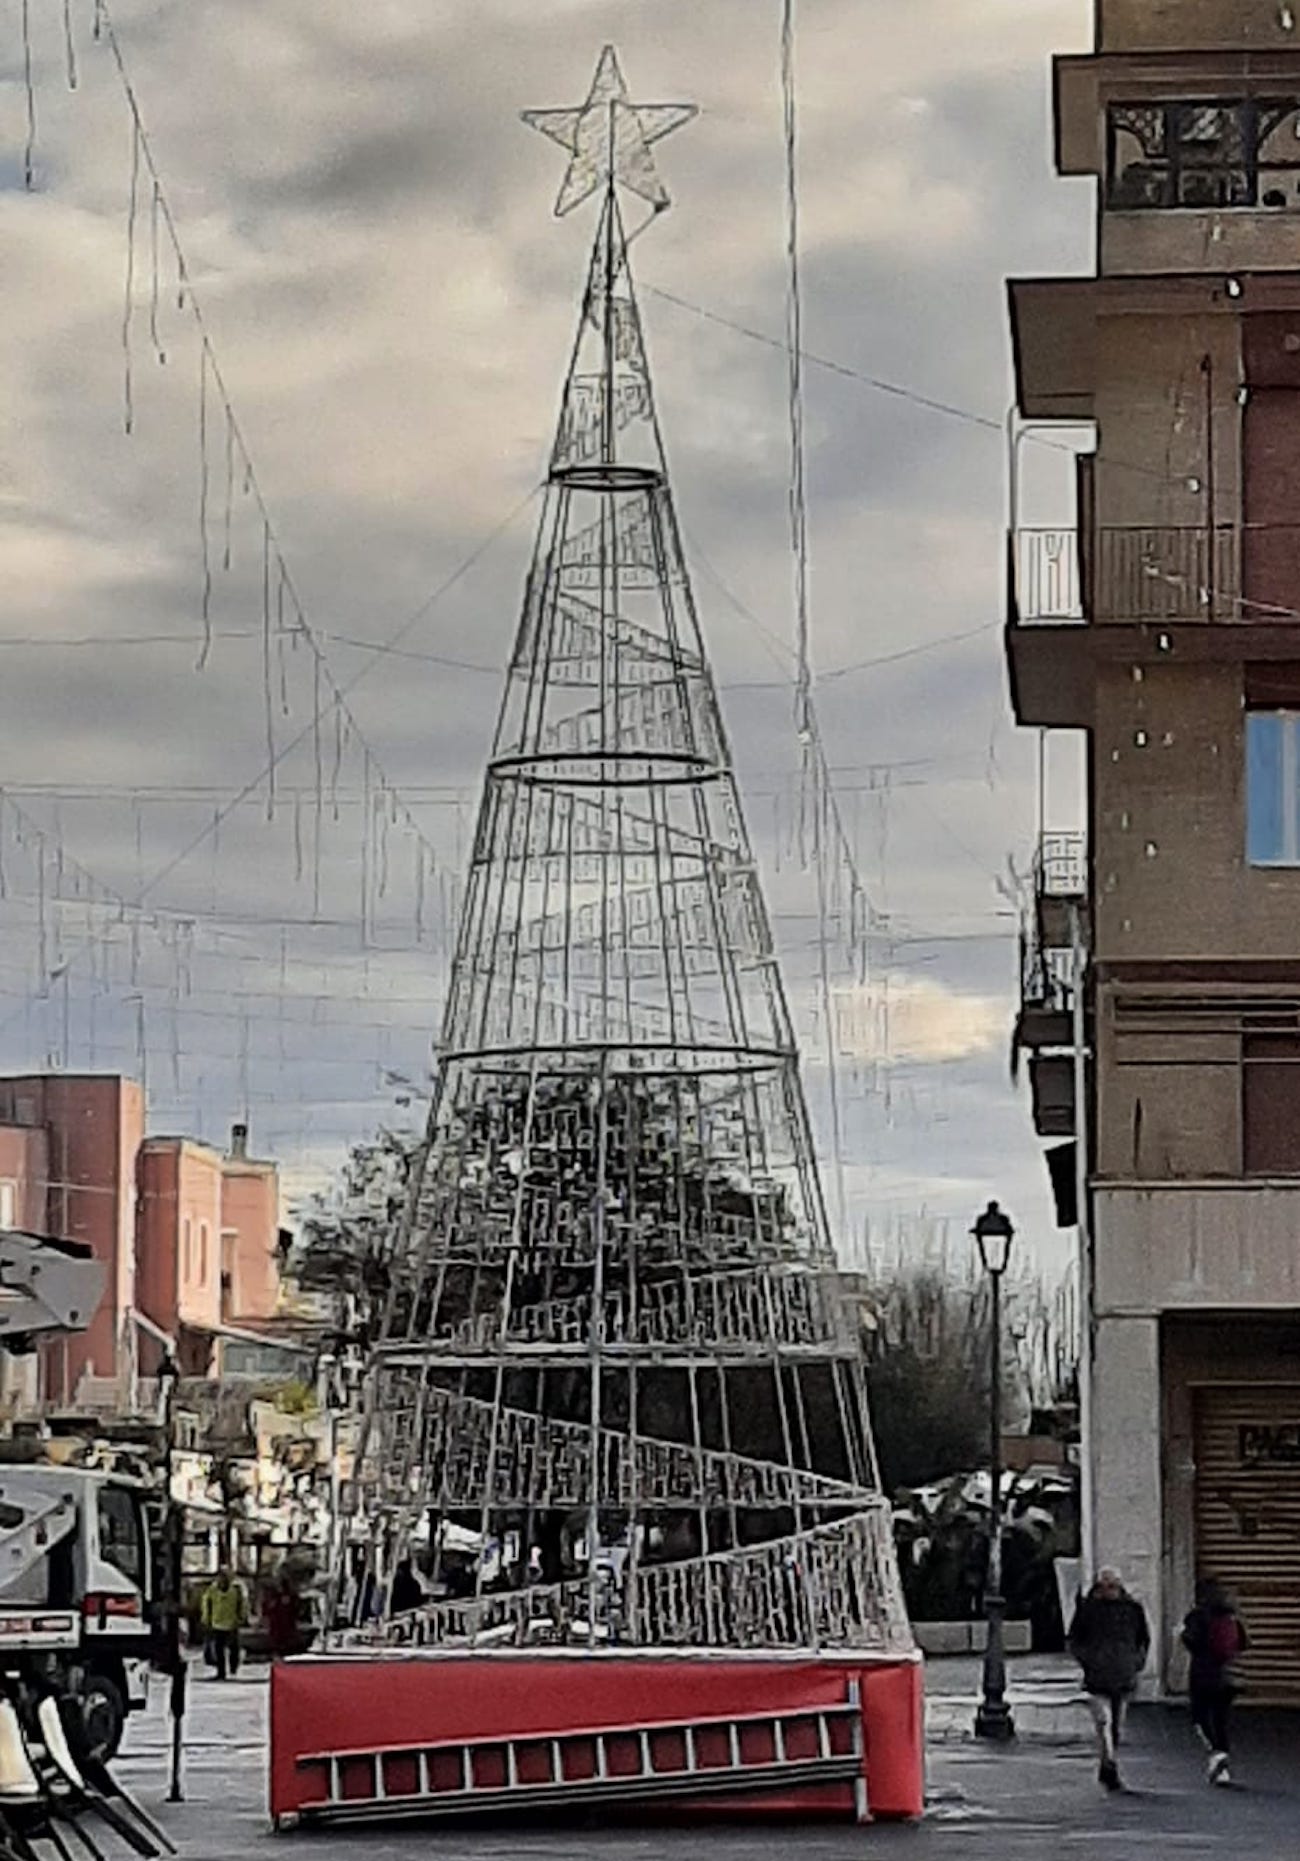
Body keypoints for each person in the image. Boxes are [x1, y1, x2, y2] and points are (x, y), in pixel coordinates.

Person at [1067, 1567, 1150, 1791]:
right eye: (1104, 1586)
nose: (1108, 1590)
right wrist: (1088, 1661)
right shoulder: (1088, 1610)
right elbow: (1074, 1639)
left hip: (1124, 1674)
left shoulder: (1132, 1610)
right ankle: (1109, 1763)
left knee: (1116, 1725)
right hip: (1097, 1676)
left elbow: (1143, 1638)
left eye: (1112, 1586)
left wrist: (1136, 1662)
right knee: (1104, 1722)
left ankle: (1107, 1763)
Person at [1182, 1577, 1248, 1786]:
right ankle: (1223, 1766)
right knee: (1221, 1721)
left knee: (1199, 1718)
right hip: (1227, 1676)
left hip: (1203, 1674)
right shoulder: (1231, 1617)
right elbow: (1244, 1643)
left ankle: (1216, 1753)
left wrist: (1183, 1635)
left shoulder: (1197, 1616)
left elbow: (1191, 1641)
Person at [200, 1567, 248, 1680]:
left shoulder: (236, 1589)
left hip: (232, 1623)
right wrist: (206, 1619)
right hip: (217, 1623)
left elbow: (242, 1604)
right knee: (219, 1650)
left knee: (234, 1648)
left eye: (225, 1576)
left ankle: (233, 1668)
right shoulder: (212, 1590)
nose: (222, 1579)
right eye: (220, 1576)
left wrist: (241, 1617)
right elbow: (207, 1604)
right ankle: (221, 1672)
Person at [262, 1570, 302, 1661]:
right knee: (282, 1641)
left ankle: (281, 1654)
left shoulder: (283, 1596)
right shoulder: (282, 1596)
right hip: (281, 1623)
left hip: (282, 1623)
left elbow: (269, 1608)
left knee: (282, 1641)